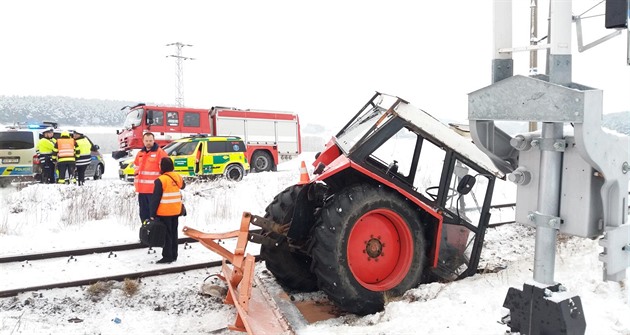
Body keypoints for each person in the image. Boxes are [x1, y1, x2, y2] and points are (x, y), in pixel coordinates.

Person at [149, 157, 186, 264]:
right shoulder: (177, 177)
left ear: (162, 167)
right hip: (176, 210)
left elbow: (155, 198)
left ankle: (167, 256)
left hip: (164, 212)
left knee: (167, 235)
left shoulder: (160, 180)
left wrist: (152, 213)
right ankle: (174, 254)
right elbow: (183, 186)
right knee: (174, 233)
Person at [134, 132, 168, 223]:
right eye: (146, 141)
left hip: (154, 190)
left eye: (150, 140)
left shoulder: (160, 153)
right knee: (143, 214)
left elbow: (166, 169)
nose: (148, 142)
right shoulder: (140, 153)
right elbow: (136, 167)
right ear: (143, 141)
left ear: (154, 141)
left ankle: (154, 233)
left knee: (154, 214)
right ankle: (145, 231)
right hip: (142, 190)